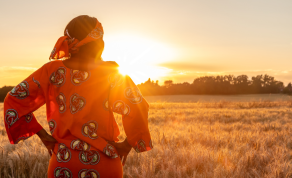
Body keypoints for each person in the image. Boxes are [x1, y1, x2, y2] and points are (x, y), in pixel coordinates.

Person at [3, 15, 153, 178]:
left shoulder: (51, 70)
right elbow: (139, 107)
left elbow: (14, 99)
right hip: (104, 165)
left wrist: (44, 136)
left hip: (63, 163)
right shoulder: (111, 74)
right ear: (99, 44)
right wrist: (127, 144)